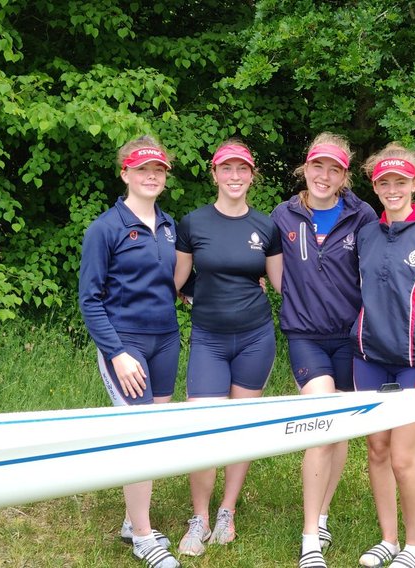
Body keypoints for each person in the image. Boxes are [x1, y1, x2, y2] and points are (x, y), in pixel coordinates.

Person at [271, 133, 378, 568]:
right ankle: (309, 536)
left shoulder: (362, 215)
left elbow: (380, 268)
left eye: (334, 169)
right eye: (318, 166)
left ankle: (324, 512)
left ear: (344, 175)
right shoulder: (284, 215)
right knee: (320, 421)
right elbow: (261, 264)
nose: (324, 176)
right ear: (305, 167)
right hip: (305, 336)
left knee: (339, 430)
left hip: (351, 338)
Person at [173, 140, 283, 557]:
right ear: (215, 174)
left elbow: (281, 284)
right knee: (203, 427)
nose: (235, 176)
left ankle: (226, 511)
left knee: (242, 427)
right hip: (209, 339)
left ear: (252, 175)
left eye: (243, 169)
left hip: (255, 338)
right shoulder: (194, 222)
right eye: (227, 169)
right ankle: (198, 517)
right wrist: (187, 296)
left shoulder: (265, 226)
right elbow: (177, 277)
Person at [79, 135, 182, 568]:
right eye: (142, 169)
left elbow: (172, 281)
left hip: (166, 339)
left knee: (154, 432)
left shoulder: (169, 224)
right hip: (127, 344)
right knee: (140, 434)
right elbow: (89, 299)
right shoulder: (106, 228)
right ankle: (142, 535)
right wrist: (117, 353)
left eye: (158, 170)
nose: (151, 176)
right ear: (125, 173)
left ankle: (131, 520)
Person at [352, 143, 415, 568]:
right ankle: (388, 539)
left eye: (400, 181)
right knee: (376, 450)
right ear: (375, 186)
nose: (392, 189)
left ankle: (414, 546)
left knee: (402, 457)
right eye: (384, 182)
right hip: (368, 356)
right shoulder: (366, 234)